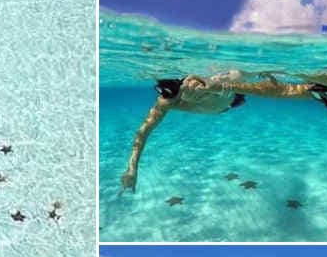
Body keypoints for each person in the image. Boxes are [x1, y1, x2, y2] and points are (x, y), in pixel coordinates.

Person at [121, 72, 314, 193]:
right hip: (218, 102)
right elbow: (143, 132)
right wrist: (132, 168)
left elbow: (239, 83)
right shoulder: (167, 100)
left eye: (172, 91)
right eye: (164, 91)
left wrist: (269, 75)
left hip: (229, 101)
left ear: (186, 82)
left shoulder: (219, 81)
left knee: (235, 82)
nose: (168, 96)